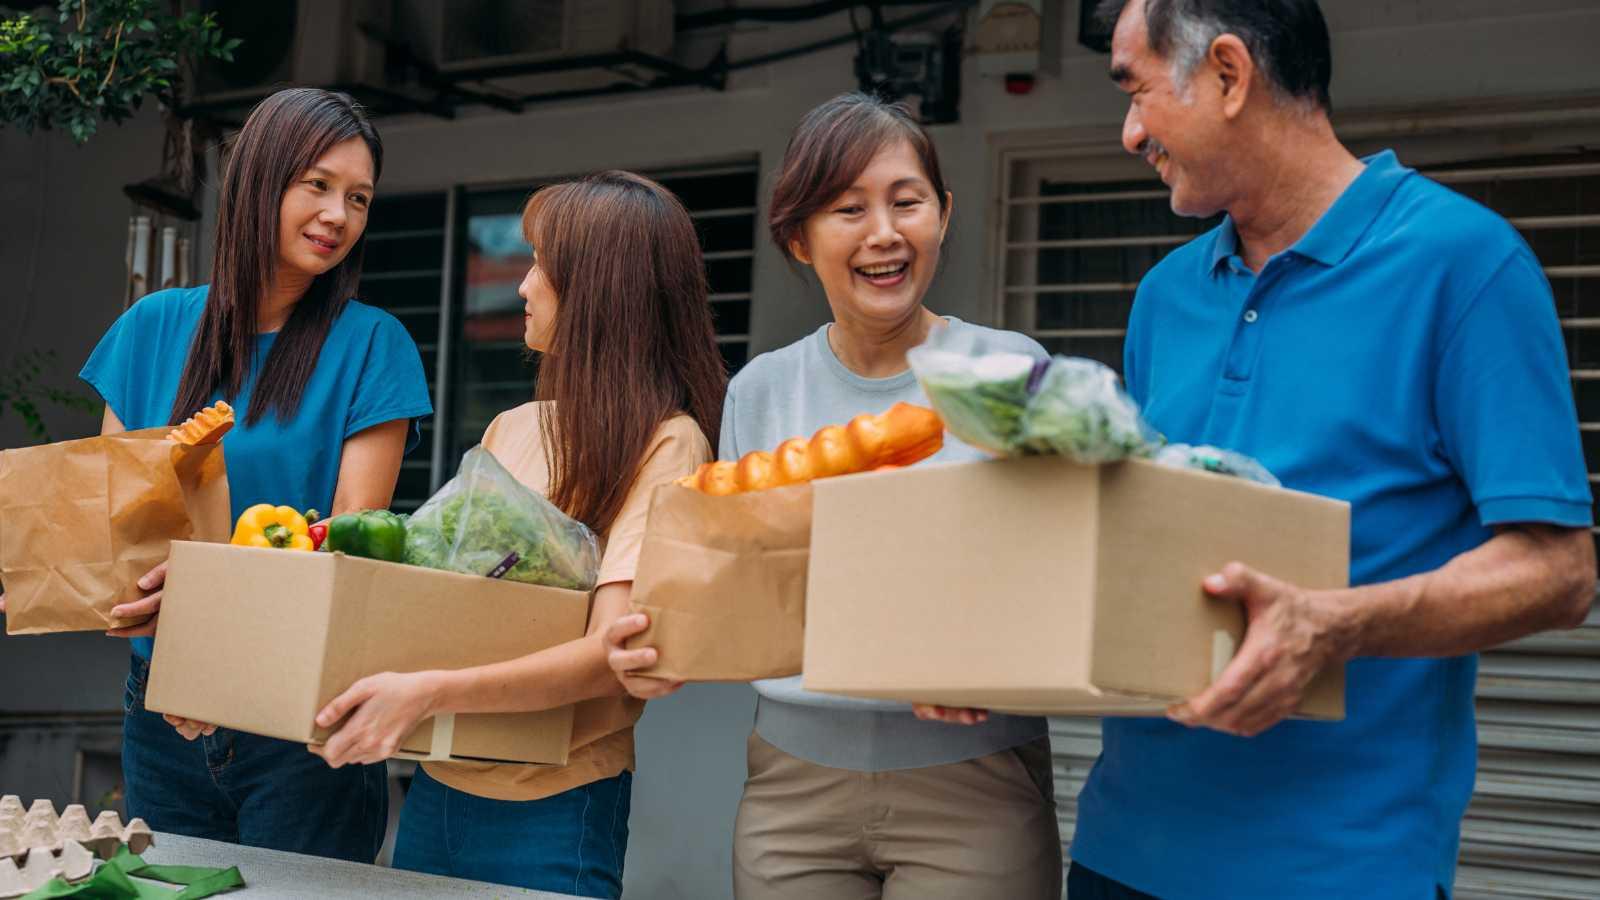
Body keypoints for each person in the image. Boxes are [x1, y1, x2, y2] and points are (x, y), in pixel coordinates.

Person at [1032, 2, 1593, 897]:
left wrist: (1333, 624)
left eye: (1135, 90)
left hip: (1340, 869)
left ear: (1227, 74)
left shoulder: (1466, 265)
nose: (1130, 131)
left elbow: (1561, 573)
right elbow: (1138, 549)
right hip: (1120, 854)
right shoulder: (1165, 294)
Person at [611, 92, 1064, 900]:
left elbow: (1058, 572)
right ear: (798, 238)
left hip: (974, 782)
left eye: (906, 202)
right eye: (848, 209)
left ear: (944, 214)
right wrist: (656, 638)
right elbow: (742, 586)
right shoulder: (760, 390)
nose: (883, 233)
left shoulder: (1011, 372)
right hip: (792, 788)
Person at [307, 171, 726, 899]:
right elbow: (440, 596)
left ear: (598, 291)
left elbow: (609, 654)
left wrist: (428, 691)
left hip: (555, 806)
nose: (523, 286)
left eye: (543, 267)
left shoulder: (671, 443)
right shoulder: (514, 428)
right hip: (438, 785)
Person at [81, 87, 431, 861]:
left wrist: (216, 650)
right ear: (259, 181)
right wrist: (177, 662)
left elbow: (348, 551)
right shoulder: (150, 329)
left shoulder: (373, 346)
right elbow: (117, 526)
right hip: (160, 708)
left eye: (359, 198)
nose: (338, 215)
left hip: (303, 714)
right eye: (317, 185)